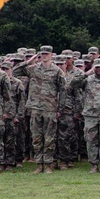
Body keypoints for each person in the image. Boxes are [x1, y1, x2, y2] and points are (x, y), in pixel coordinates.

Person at [13, 46, 66, 174]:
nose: (44, 56)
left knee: (49, 138)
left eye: (47, 53)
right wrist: (29, 61)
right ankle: (38, 164)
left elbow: (63, 90)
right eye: (42, 53)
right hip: (35, 108)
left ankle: (48, 164)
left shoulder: (57, 71)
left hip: (50, 108)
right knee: (36, 137)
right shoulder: (33, 69)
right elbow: (15, 71)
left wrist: (60, 108)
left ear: (52, 55)